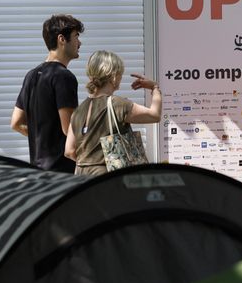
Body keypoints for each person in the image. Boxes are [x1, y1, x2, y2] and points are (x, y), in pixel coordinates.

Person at [64, 50, 162, 176]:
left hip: (81, 178)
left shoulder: (79, 110)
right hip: (108, 178)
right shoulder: (118, 104)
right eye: (120, 73)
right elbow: (154, 115)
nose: (121, 77)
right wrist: (155, 88)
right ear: (114, 76)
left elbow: (69, 151)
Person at [11, 14, 85, 173]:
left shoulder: (31, 75)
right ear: (62, 39)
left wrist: (43, 140)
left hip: (38, 171)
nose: (80, 43)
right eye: (76, 36)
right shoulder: (64, 77)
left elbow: (16, 122)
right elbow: (70, 129)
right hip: (61, 173)